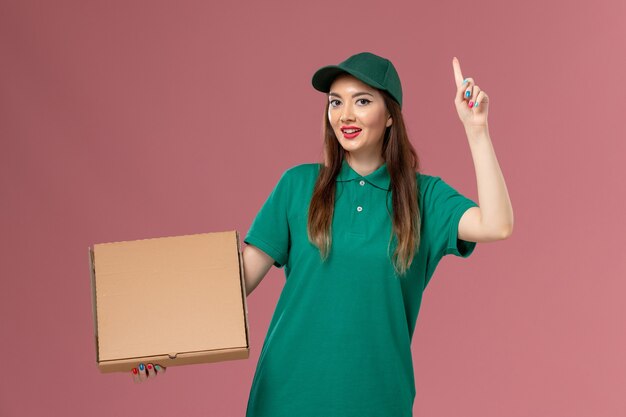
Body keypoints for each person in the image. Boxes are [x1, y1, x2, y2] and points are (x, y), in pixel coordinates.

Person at [131, 52, 514, 417]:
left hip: (377, 402)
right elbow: (237, 281)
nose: (345, 114)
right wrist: (164, 342)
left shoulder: (423, 197)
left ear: (391, 115)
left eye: (362, 101)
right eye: (335, 102)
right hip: (285, 398)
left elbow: (497, 224)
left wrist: (476, 130)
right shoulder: (298, 186)